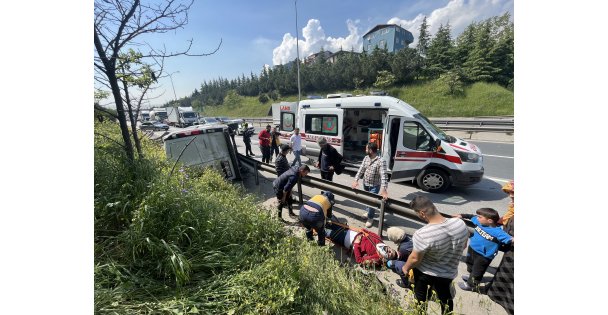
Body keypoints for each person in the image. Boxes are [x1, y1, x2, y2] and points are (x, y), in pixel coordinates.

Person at [401, 195, 468, 314]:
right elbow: (463, 245)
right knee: (445, 298)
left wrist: (405, 268)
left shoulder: (422, 234)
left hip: (425, 273)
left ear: (422, 213)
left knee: (421, 299)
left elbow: (415, 259)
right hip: (448, 272)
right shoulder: (460, 223)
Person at [453, 208, 513, 292]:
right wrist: (461, 215)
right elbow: (471, 217)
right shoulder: (479, 221)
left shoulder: (498, 232)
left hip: (484, 255)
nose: (477, 218)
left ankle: (471, 285)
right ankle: (471, 276)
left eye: (480, 217)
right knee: (470, 263)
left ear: (489, 221)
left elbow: (510, 239)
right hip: (473, 248)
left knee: (478, 270)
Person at [486, 180, 515, 315]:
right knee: (505, 274)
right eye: (509, 193)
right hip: (511, 252)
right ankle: (497, 294)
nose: (511, 196)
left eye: (514, 193)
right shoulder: (513, 209)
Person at [324, 222, 396, 267]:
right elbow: (370, 233)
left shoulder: (376, 259)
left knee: (325, 232)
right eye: (390, 250)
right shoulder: (380, 241)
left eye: (390, 254)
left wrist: (356, 244)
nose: (388, 251)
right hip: (350, 231)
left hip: (346, 240)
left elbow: (359, 260)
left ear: (387, 258)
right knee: (328, 223)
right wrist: (362, 231)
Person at [351, 142, 389, 228]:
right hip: (366, 183)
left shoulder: (381, 161)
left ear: (371, 150)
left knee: (371, 201)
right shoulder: (366, 158)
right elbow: (361, 169)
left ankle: (370, 218)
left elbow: (384, 176)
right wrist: (355, 180)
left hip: (375, 185)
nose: (365, 150)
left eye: (366, 148)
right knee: (367, 200)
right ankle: (368, 211)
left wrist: (384, 189)